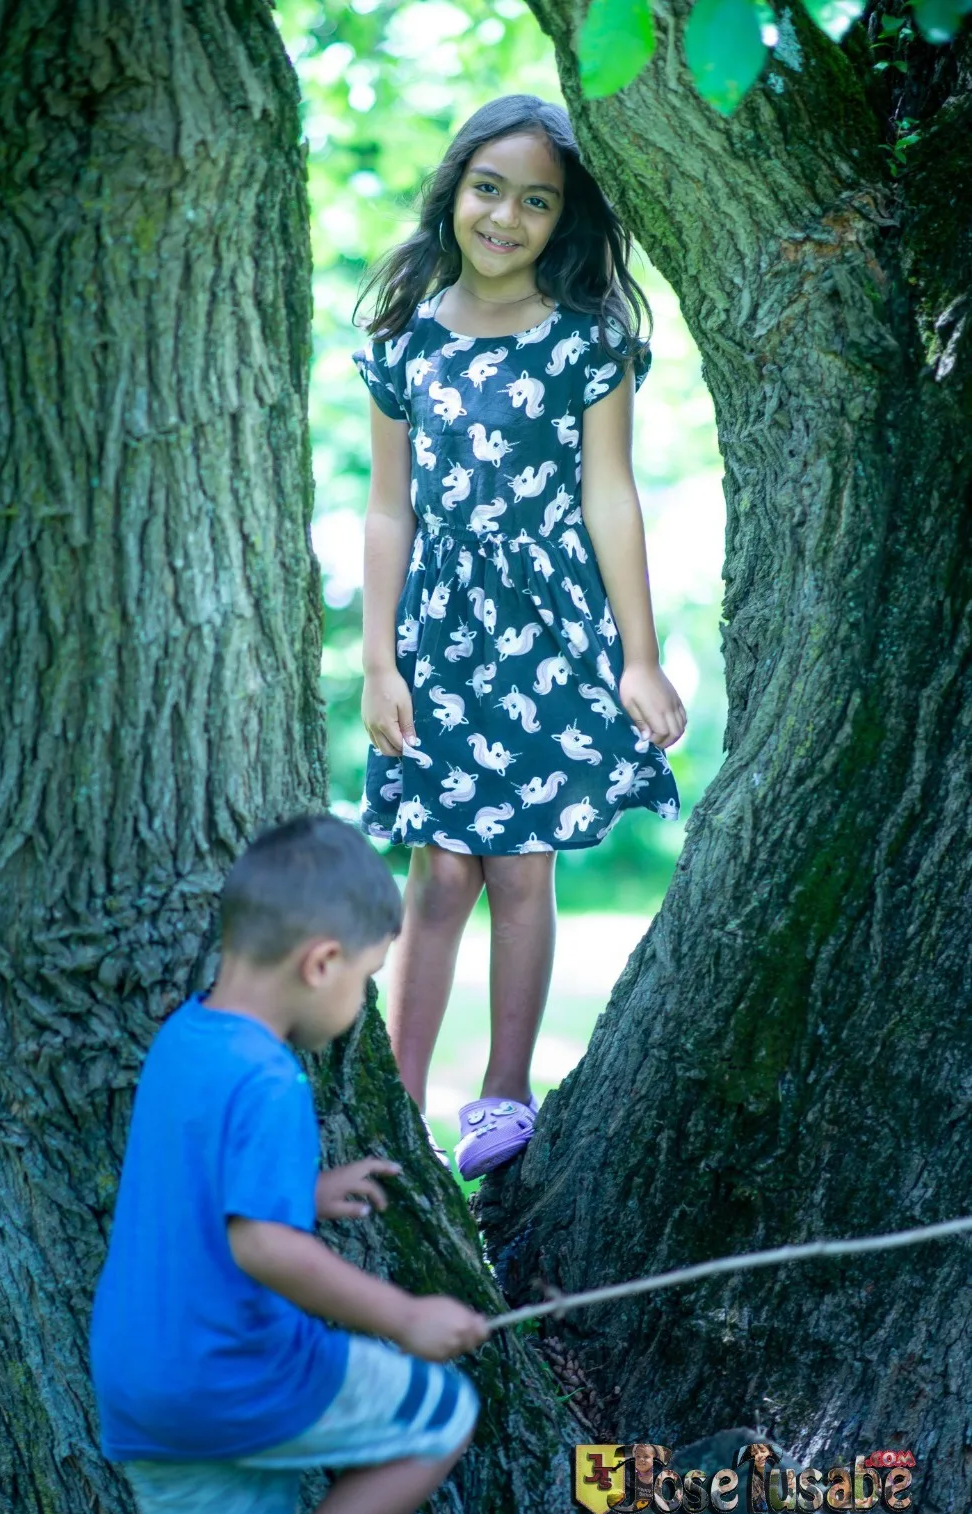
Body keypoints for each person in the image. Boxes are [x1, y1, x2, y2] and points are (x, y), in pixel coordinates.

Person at [351, 94, 688, 1181]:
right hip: (438, 632)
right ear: (454, 190)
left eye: (535, 202)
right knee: (437, 872)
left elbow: (611, 500)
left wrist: (637, 654)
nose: (504, 216)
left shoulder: (584, 343)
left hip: (546, 629)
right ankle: (397, 1102)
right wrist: (376, 658)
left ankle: (501, 1095)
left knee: (517, 867)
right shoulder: (404, 341)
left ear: (561, 221)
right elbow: (388, 508)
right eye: (487, 189)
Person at [88, 813, 491, 1514]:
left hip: (141, 1381)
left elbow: (192, 1184)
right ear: (322, 963)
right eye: (365, 978)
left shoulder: (186, 1039)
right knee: (441, 1412)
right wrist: (404, 1319)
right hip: (236, 1370)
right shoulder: (270, 1078)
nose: (361, 997)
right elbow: (263, 1249)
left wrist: (301, 1193)